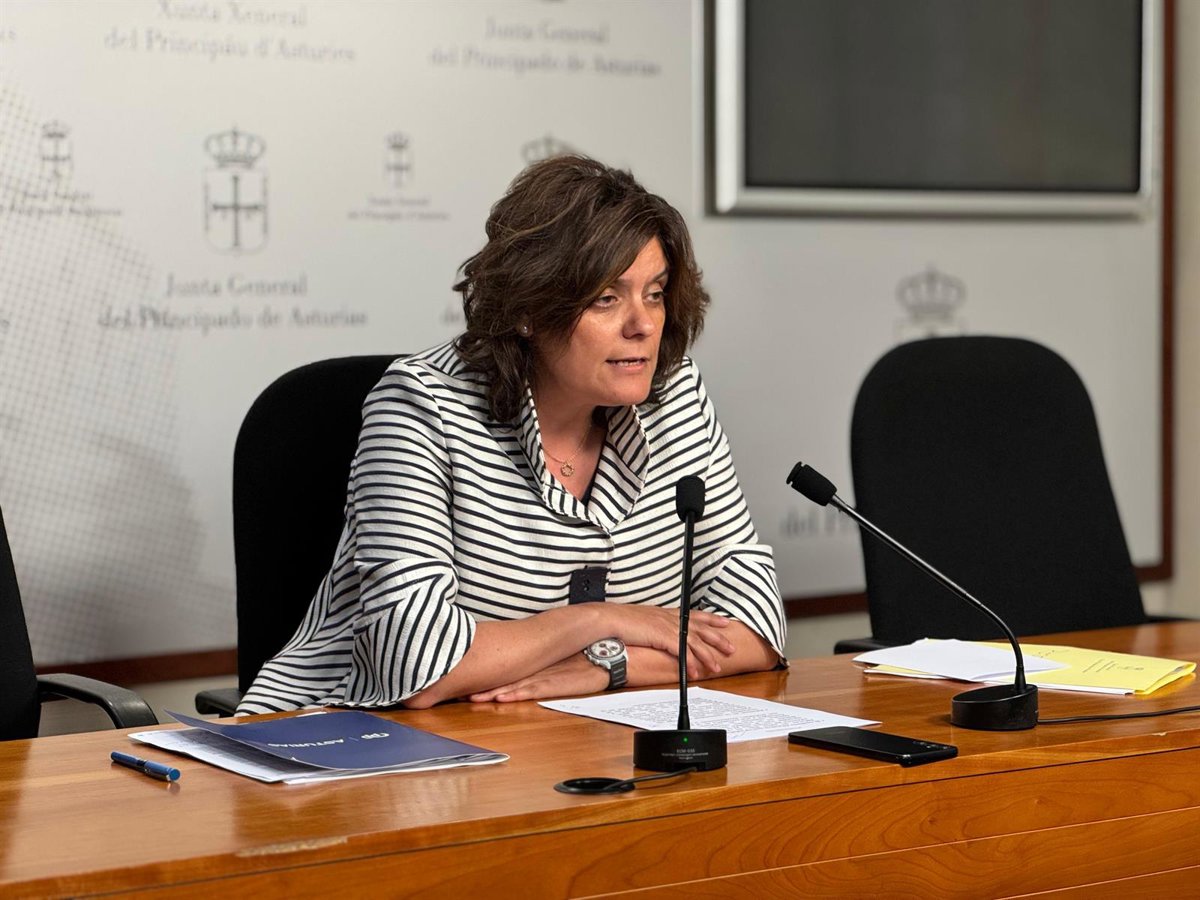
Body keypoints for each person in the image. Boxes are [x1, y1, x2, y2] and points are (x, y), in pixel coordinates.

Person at [238, 156, 786, 715]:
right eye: (606, 298)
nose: (643, 325)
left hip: (560, 736)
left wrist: (610, 664)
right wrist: (600, 621)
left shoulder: (676, 396)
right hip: (341, 743)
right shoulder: (421, 405)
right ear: (529, 309)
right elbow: (414, 666)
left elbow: (758, 627)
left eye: (655, 292)